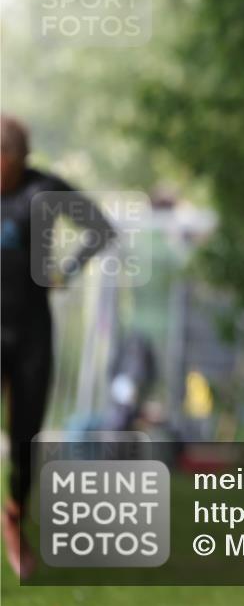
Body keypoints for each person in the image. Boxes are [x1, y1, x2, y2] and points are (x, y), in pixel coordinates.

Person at [1, 113, 117, 578]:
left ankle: (14, 517)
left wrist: (65, 272)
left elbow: (101, 228)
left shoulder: (41, 191)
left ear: (11, 157)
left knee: (25, 438)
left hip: (30, 332)